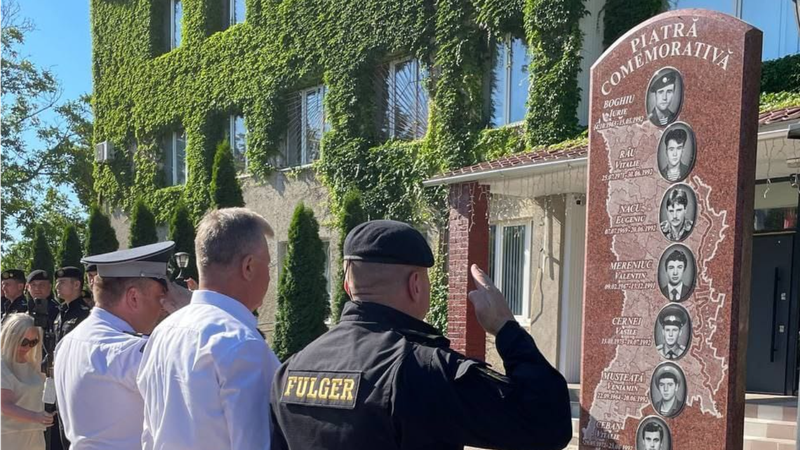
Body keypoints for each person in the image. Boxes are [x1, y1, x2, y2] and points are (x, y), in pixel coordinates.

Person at [270, 220, 573, 450]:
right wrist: (506, 328)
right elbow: (547, 425)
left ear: (348, 287)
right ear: (415, 285)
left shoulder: (290, 370)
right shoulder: (423, 369)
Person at [137, 208, 280, 450]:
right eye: (268, 264)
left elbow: (149, 434)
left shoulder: (163, 332)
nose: (269, 275)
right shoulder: (242, 344)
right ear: (248, 267)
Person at [54, 242, 191, 450]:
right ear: (133, 297)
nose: (164, 307)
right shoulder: (131, 352)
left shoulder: (68, 342)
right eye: (160, 297)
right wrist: (193, 312)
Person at [0, 313, 54, 449]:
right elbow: (4, 405)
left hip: (34, 436)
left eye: (33, 342)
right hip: (8, 438)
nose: (27, 347)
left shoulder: (32, 365)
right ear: (11, 338)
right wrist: (36, 416)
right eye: (23, 342)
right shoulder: (2, 366)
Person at [53, 267, 92, 343]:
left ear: (76, 285)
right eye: (57, 282)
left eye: (62, 282)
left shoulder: (84, 314)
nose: (57, 286)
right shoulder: (62, 311)